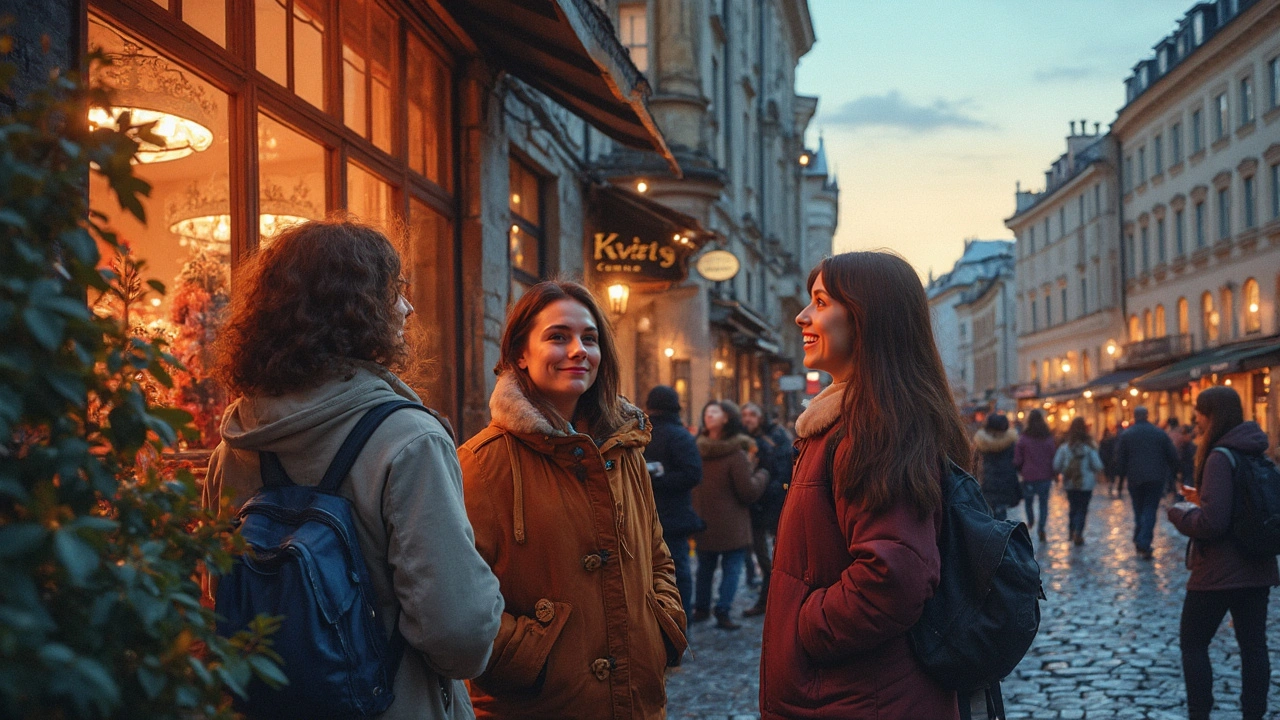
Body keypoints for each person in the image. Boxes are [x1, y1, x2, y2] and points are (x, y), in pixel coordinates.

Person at [204, 219, 504, 720]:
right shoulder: (410, 440)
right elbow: (458, 634)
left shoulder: (234, 445)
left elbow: (221, 595)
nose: (408, 307)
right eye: (395, 292)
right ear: (357, 309)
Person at [457, 281, 686, 720]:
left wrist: (661, 622)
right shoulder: (483, 462)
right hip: (538, 704)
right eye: (558, 336)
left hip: (635, 701)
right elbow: (462, 594)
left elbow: (656, 554)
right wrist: (527, 656)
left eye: (590, 338)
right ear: (520, 354)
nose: (579, 350)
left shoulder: (625, 448)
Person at [761, 251, 966, 719]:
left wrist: (803, 627)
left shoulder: (873, 428)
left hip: (861, 698)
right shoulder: (845, 423)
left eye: (820, 302)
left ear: (865, 318)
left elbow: (893, 576)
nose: (802, 316)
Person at [1167, 386, 1278, 720]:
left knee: (1193, 643)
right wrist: (1204, 498)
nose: (1196, 420)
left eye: (1200, 412)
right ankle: (1253, 714)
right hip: (1257, 566)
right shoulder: (1257, 452)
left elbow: (1213, 524)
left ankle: (1200, 713)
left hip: (1218, 570)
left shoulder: (1219, 456)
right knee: (1254, 647)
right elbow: (1239, 505)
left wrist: (1180, 512)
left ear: (1212, 414)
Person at [690, 400, 768, 630]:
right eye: (708, 410)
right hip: (732, 523)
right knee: (731, 568)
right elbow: (748, 491)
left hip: (704, 519)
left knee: (706, 567)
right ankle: (722, 610)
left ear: (726, 418)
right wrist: (763, 474)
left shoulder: (697, 448)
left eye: (715, 411)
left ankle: (702, 608)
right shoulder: (736, 452)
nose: (709, 414)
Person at [642, 385, 704, 624]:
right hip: (672, 517)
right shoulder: (678, 436)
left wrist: (655, 477)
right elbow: (693, 474)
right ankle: (678, 624)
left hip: (651, 516)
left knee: (653, 573)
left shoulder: (645, 433)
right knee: (676, 573)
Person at [741, 402, 793, 617]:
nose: (748, 419)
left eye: (752, 414)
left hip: (771, 505)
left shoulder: (777, 437)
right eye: (744, 415)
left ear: (761, 417)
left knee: (770, 557)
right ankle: (768, 597)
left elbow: (782, 472)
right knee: (760, 555)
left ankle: (769, 601)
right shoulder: (743, 437)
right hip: (753, 504)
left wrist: (763, 489)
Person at [1115, 406, 1179, 560]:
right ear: (1147, 415)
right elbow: (1172, 456)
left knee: (1139, 509)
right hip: (1156, 477)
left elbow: (1120, 459)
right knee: (1150, 509)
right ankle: (1144, 540)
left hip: (1135, 478)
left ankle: (1140, 539)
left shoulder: (1127, 435)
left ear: (1135, 416)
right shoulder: (1159, 433)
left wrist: (1120, 480)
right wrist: (1173, 475)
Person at [1053, 417, 1103, 546]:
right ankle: (1078, 532)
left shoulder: (1065, 447)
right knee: (1082, 508)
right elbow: (1097, 465)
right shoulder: (1090, 446)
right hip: (1086, 484)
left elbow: (1056, 465)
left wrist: (1065, 470)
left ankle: (1072, 529)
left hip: (1070, 482)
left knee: (1073, 507)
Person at [1014, 409, 1056, 542]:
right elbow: (1053, 456)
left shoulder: (1024, 438)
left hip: (1029, 476)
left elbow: (1018, 459)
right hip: (1045, 476)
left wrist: (1019, 468)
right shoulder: (1048, 438)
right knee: (1043, 504)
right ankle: (1041, 528)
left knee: (1029, 501)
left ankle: (1031, 521)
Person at [972, 412, 1021, 520]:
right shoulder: (1011, 442)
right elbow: (1017, 462)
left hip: (986, 483)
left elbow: (973, 464)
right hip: (1006, 483)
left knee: (988, 515)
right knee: (1001, 516)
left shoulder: (981, 442)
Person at [1099, 425, 1121, 497]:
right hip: (1109, 460)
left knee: (1110, 474)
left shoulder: (1109, 441)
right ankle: (1110, 485)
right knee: (1110, 474)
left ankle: (1111, 485)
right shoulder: (1109, 441)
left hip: (1109, 460)